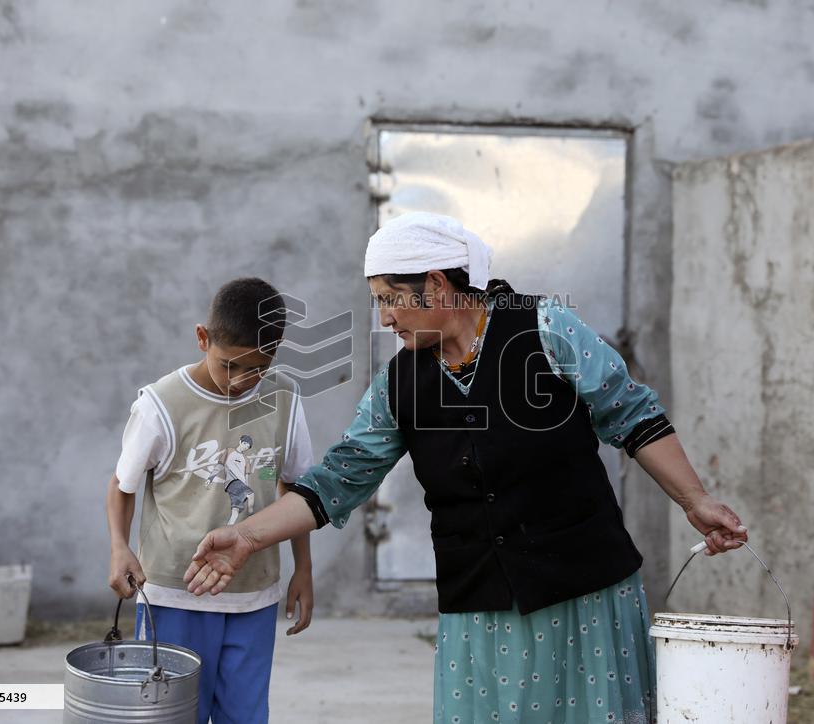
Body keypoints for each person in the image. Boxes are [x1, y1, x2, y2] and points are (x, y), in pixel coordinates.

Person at [183, 214, 748, 724]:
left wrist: (694, 500)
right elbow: (335, 481)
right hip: (481, 613)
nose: (384, 319)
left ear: (435, 284)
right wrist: (247, 536)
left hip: (583, 597)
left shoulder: (544, 331)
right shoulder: (398, 386)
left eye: (389, 299)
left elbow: (633, 415)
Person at [105, 277, 315, 724]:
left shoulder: (284, 398)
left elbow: (295, 490)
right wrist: (120, 549)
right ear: (203, 338)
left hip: (253, 596)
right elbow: (122, 486)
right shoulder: (161, 404)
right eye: (229, 365)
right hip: (172, 596)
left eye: (257, 368)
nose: (242, 381)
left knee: (246, 715)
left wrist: (304, 569)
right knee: (173, 715)